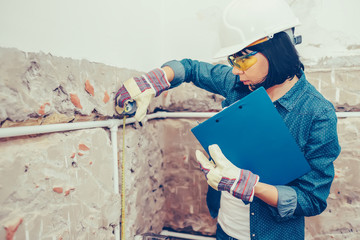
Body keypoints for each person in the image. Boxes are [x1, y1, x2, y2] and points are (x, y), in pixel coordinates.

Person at [115, 0, 341, 239]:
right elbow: (190, 68)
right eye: (233, 60)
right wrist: (157, 78)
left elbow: (312, 199)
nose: (235, 70)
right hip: (226, 228)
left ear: (277, 50)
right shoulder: (240, 84)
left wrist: (251, 187)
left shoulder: (318, 113)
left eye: (243, 59)